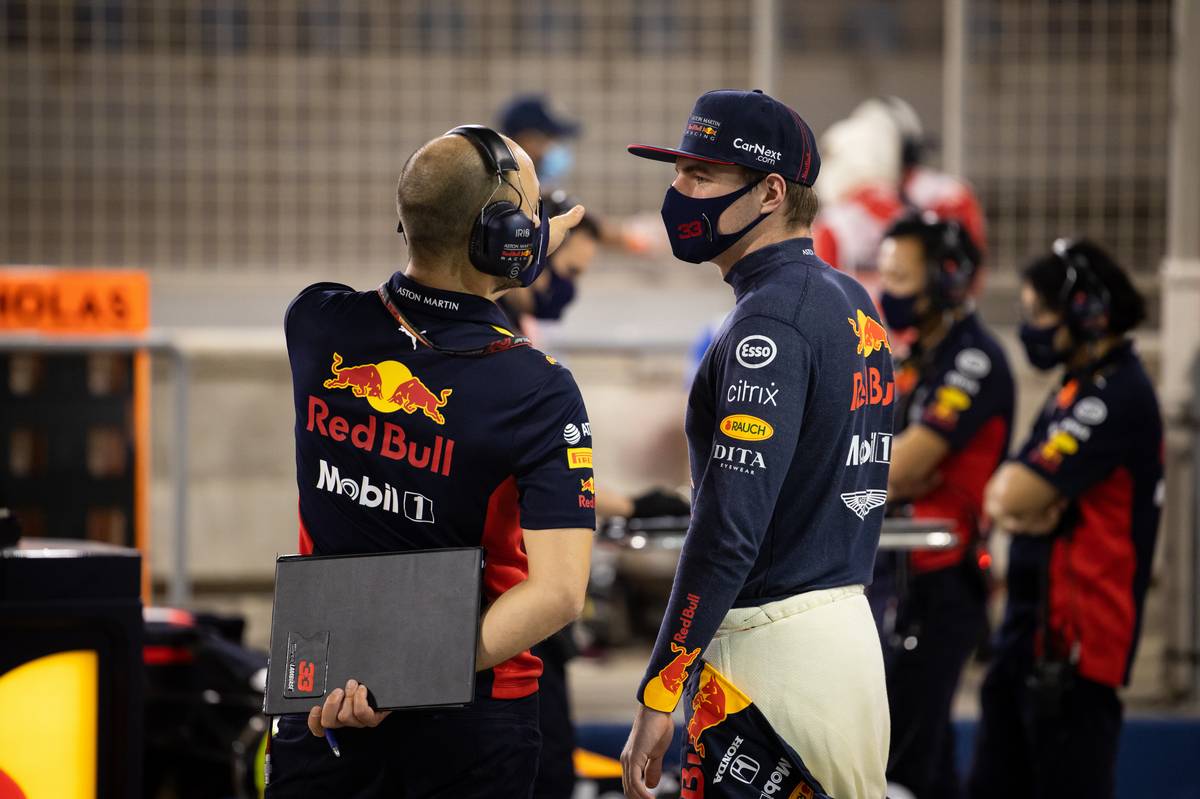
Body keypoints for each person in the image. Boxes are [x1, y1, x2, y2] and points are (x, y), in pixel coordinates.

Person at [267, 124, 595, 798]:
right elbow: (560, 591)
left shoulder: (315, 322)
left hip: (322, 689)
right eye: (528, 215)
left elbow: (428, 291)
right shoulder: (534, 387)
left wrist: (517, 247)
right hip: (470, 715)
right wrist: (401, 670)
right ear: (500, 236)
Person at [619, 89, 893, 799]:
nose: (677, 193)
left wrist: (660, 684)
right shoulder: (849, 300)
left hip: (775, 661)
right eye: (678, 172)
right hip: (845, 646)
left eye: (701, 176)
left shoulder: (768, 323)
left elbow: (728, 531)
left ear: (772, 191)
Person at [967, 240, 1162, 799]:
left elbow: (1018, 494)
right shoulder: (1075, 389)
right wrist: (1027, 505)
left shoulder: (1117, 394)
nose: (1031, 328)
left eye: (1040, 313)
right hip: (1029, 639)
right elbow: (1003, 495)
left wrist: (1026, 503)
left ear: (1085, 312)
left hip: (1075, 656)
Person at [871, 212, 1013, 799]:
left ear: (946, 279)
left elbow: (903, 468)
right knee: (915, 757)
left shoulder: (972, 359)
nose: (888, 290)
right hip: (897, 576)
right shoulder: (913, 356)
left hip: (942, 579)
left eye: (901, 277)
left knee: (909, 759)